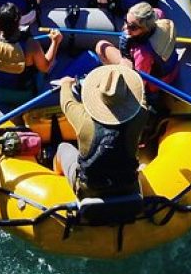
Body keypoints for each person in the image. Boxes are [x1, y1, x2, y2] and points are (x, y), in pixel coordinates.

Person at [53, 66, 148, 198]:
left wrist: (66, 84)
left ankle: (55, 176)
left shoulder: (84, 122)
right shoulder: (140, 117)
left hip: (89, 189)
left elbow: (67, 103)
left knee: (63, 147)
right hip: (126, 185)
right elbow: (142, 100)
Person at [0, 3, 62, 108]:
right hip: (22, 95)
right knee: (45, 66)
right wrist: (55, 42)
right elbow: (45, 67)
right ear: (18, 22)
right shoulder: (31, 45)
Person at [95, 2, 180, 103]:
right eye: (126, 21)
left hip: (154, 84)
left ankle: (111, 77)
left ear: (145, 29)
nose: (126, 28)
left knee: (101, 46)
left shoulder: (143, 54)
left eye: (132, 27)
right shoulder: (158, 14)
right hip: (169, 71)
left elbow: (138, 83)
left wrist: (125, 57)